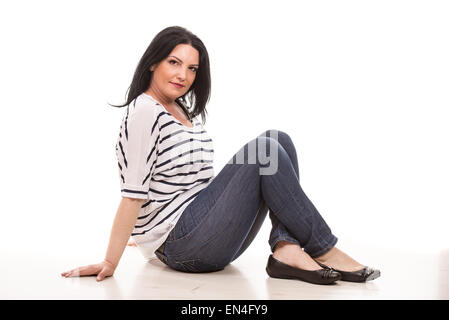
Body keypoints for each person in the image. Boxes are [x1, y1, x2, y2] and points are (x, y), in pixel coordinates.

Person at [61, 26, 380, 285]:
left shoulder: (180, 110)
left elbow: (186, 185)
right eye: (174, 62)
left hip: (197, 230)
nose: (182, 75)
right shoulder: (144, 110)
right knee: (264, 150)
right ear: (152, 62)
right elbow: (133, 194)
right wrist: (113, 259)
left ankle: (286, 249)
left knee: (276, 139)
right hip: (183, 243)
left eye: (191, 68)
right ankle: (324, 247)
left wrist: (144, 237)